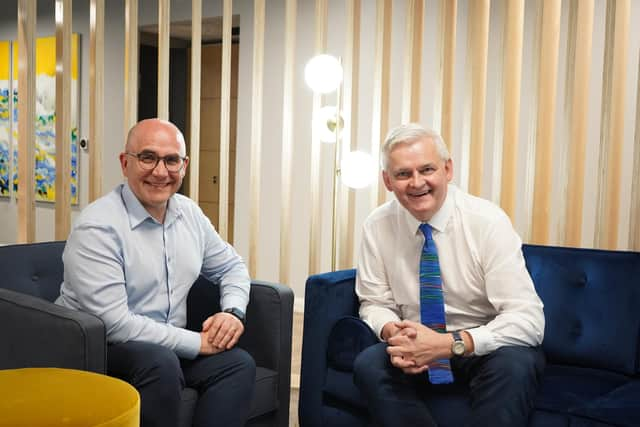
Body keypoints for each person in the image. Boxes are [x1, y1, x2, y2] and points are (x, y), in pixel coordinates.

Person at [56, 118, 255, 427]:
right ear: (125, 163)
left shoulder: (189, 213)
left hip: (165, 348)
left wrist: (232, 312)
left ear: (184, 166)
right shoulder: (98, 226)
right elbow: (115, 324)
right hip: (99, 349)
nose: (160, 172)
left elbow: (232, 266)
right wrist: (197, 343)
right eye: (148, 157)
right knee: (159, 363)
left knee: (237, 364)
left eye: (171, 160)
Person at [353, 123, 545, 427]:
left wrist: (449, 344)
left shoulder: (487, 222)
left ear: (448, 169)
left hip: (478, 346)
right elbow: (373, 302)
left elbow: (529, 320)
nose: (417, 183)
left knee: (517, 363)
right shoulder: (377, 226)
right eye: (403, 174)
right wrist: (395, 333)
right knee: (369, 364)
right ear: (387, 181)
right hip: (414, 347)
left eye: (427, 169)